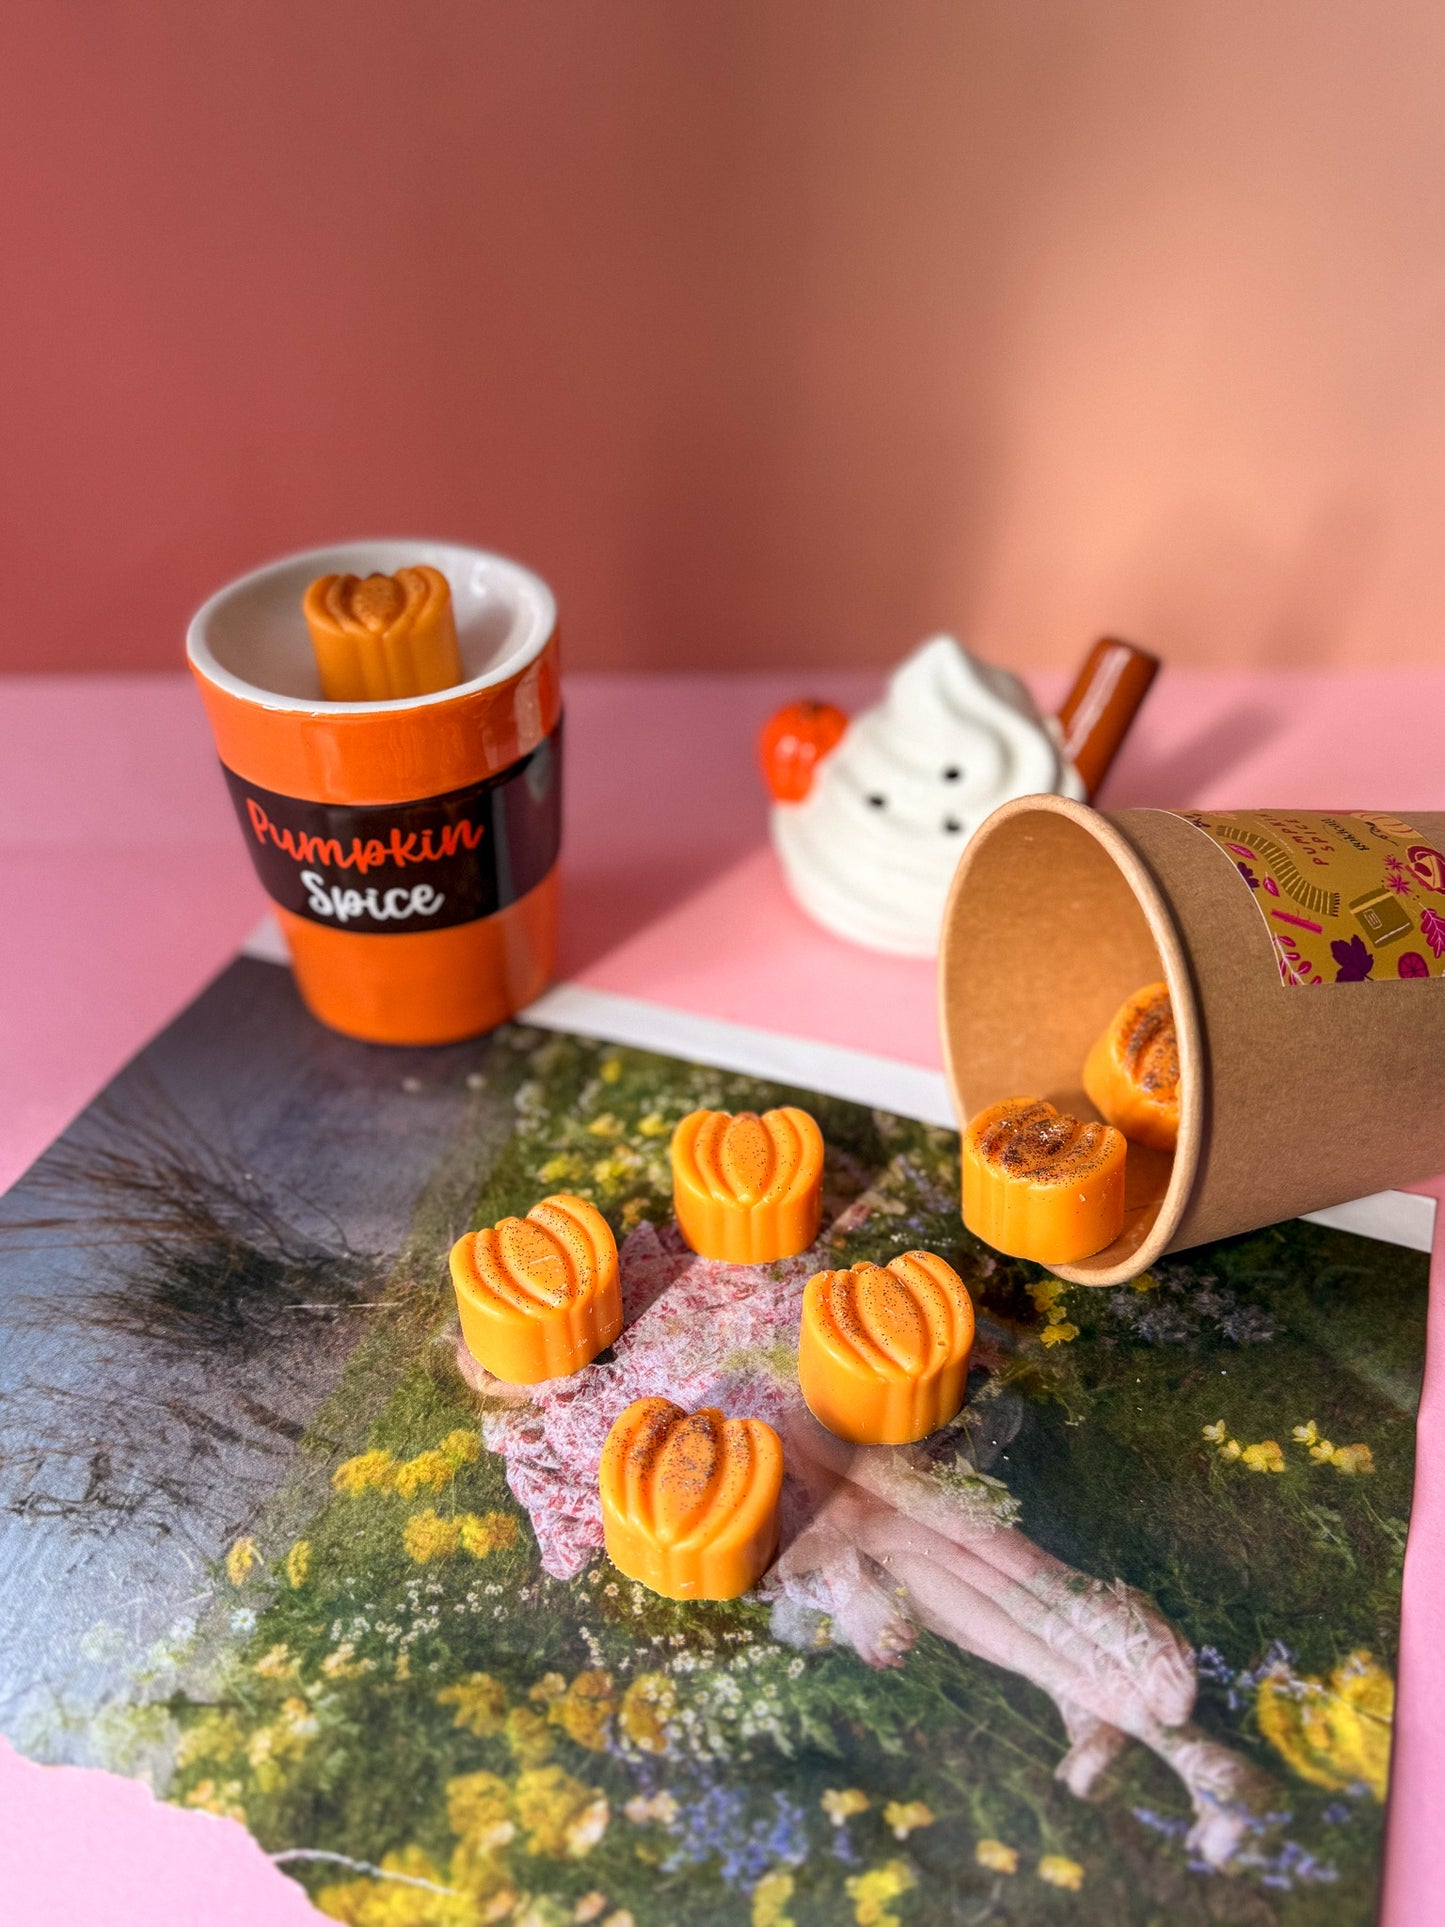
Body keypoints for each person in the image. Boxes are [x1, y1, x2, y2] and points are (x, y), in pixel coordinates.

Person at [455, 1218, 1272, 1866]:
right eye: (485, 1369)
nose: (504, 1361)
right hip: (798, 1512)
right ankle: (1156, 1734)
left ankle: (1112, 1666)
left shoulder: (640, 1290)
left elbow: (747, 1285)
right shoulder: (554, 1430)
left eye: (490, 1345)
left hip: (834, 1438)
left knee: (934, 1525)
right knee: (915, 1562)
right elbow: (611, 1519)